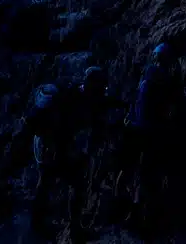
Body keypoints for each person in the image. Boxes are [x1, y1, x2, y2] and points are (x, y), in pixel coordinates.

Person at [25, 66, 118, 242]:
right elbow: (50, 126)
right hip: (52, 145)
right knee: (48, 182)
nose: (100, 92)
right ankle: (39, 224)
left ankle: (71, 228)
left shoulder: (92, 100)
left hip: (65, 146)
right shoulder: (67, 98)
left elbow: (97, 121)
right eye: (99, 87)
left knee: (74, 184)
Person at [118, 43, 186, 237]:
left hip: (135, 129)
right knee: (147, 176)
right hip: (149, 133)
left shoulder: (145, 76)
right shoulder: (159, 77)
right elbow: (173, 98)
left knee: (131, 171)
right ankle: (139, 216)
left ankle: (124, 209)